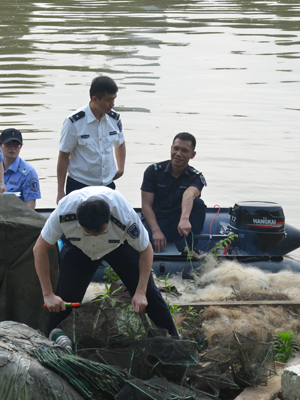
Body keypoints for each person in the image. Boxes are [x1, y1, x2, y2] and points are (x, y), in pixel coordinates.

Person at [33, 186, 178, 337]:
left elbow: (146, 249)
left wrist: (140, 292)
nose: (96, 236)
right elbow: (39, 249)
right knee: (63, 301)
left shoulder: (124, 214)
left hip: (119, 246)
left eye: (100, 231)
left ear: (109, 218)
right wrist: (48, 294)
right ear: (79, 222)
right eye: (90, 232)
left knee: (150, 295)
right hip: (79, 249)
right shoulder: (63, 212)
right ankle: (55, 343)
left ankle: (173, 340)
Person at [56, 76, 126, 203]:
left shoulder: (114, 119)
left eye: (114, 99)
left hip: (107, 186)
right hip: (80, 186)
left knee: (108, 222)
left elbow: (120, 143)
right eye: (109, 100)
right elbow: (63, 156)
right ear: (95, 99)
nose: (113, 104)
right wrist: (60, 191)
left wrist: (121, 169)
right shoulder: (74, 122)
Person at [141, 132, 207, 253]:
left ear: (193, 155)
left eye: (184, 151)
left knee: (198, 204)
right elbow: (146, 205)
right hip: (155, 221)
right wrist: (156, 231)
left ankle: (189, 248)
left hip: (179, 224)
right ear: (171, 148)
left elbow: (189, 194)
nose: (178, 154)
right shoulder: (153, 171)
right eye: (176, 149)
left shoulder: (196, 177)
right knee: (143, 243)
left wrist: (184, 219)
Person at [0, 128, 41, 209]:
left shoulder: (29, 172)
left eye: (16, 145)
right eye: (8, 144)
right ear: (0, 144)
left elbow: (30, 204)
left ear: (21, 146)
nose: (12, 148)